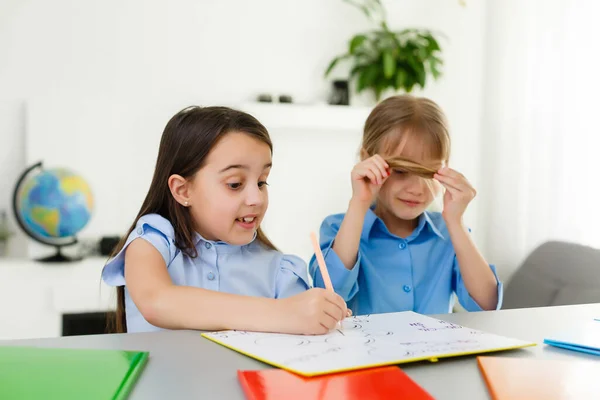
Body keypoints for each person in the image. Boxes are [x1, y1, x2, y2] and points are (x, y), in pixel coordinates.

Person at [102, 106, 348, 333]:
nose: (256, 199)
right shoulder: (152, 242)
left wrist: (322, 316)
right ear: (183, 190)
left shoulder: (279, 271)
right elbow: (156, 301)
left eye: (262, 182)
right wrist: (282, 313)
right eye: (235, 184)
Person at [309, 95, 502, 315]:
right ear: (367, 160)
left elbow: (488, 305)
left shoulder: (449, 232)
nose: (417, 188)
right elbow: (329, 295)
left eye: (428, 174)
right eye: (401, 171)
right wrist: (359, 203)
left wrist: (456, 222)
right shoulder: (338, 228)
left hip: (436, 350)